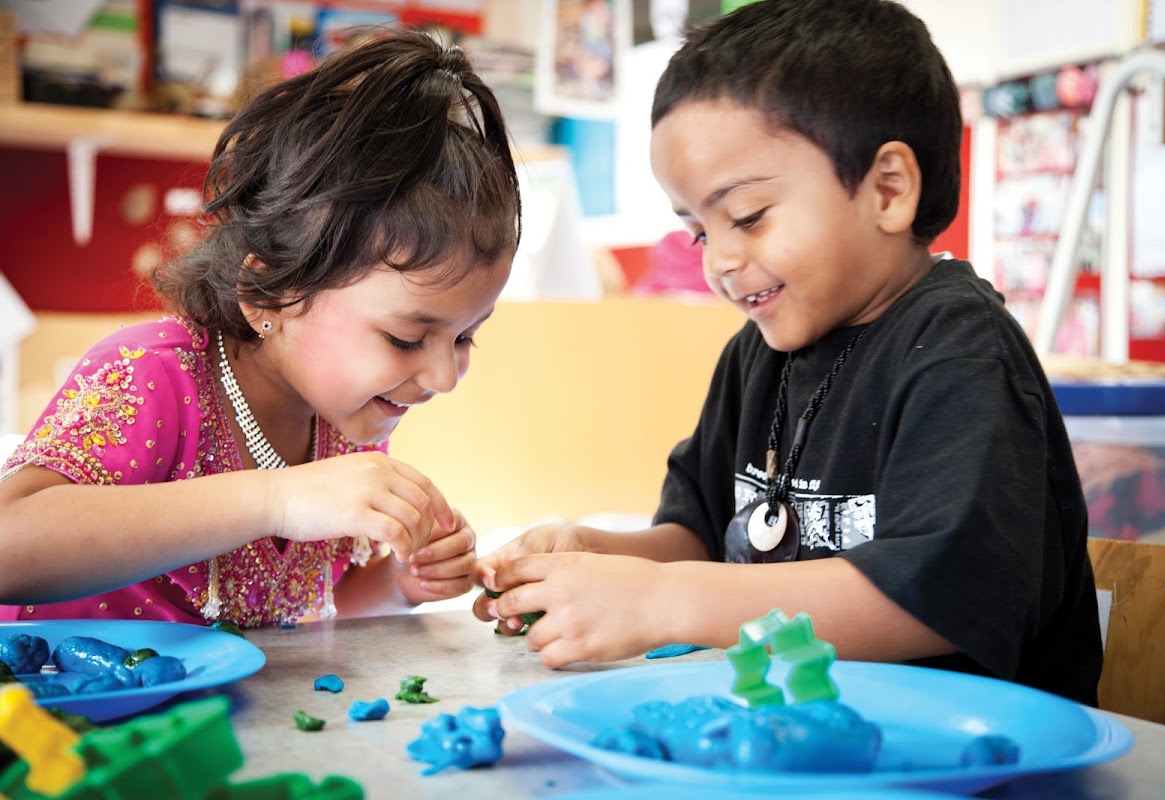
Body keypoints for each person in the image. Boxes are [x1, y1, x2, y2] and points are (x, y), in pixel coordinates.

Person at [474, 0, 1102, 706]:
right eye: (699, 232)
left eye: (747, 217)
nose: (719, 261)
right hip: (793, 734)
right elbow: (700, 540)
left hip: (969, 744)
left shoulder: (960, 350)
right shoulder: (758, 355)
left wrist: (661, 600)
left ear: (888, 189)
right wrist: (594, 556)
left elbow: (937, 599)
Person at [0, 28, 522, 628]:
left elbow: (296, 611)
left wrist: (398, 584)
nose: (444, 376)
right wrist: (277, 499)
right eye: (405, 339)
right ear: (267, 291)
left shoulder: (346, 419)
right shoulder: (152, 378)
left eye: (465, 336)